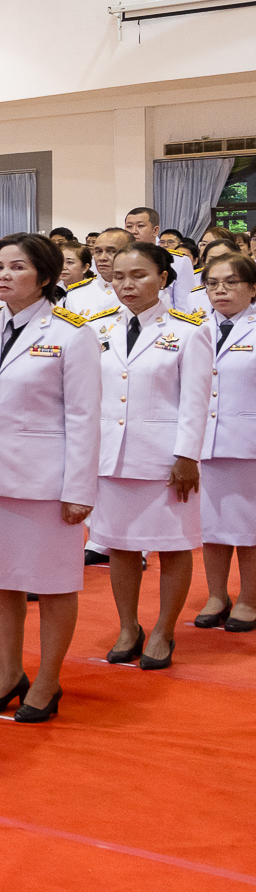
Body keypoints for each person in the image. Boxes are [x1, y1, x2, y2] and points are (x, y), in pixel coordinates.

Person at [0, 235, 99, 722]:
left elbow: (84, 418)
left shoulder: (73, 333)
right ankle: (10, 672)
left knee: (54, 584)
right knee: (0, 580)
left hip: (44, 484)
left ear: (45, 276)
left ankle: (48, 679)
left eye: (17, 267)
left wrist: (79, 489)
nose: (3, 275)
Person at [94, 242, 211, 668]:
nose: (126, 284)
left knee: (173, 546)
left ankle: (163, 629)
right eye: (119, 276)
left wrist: (187, 456)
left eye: (138, 275)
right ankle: (129, 626)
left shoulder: (189, 330)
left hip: (165, 460)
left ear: (162, 279)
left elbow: (196, 401)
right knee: (120, 546)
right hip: (110, 457)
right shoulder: (96, 328)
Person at [197, 253, 256, 632]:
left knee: (249, 528)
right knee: (211, 527)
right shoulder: (194, 328)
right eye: (213, 283)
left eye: (231, 282)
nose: (221, 290)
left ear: (252, 288)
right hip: (203, 444)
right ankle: (217, 595)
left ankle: (249, 598)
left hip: (248, 445)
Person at [126, 207, 198, 313]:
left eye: (140, 226)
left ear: (155, 230)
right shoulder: (120, 260)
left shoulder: (178, 261)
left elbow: (184, 306)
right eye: (129, 226)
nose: (133, 231)